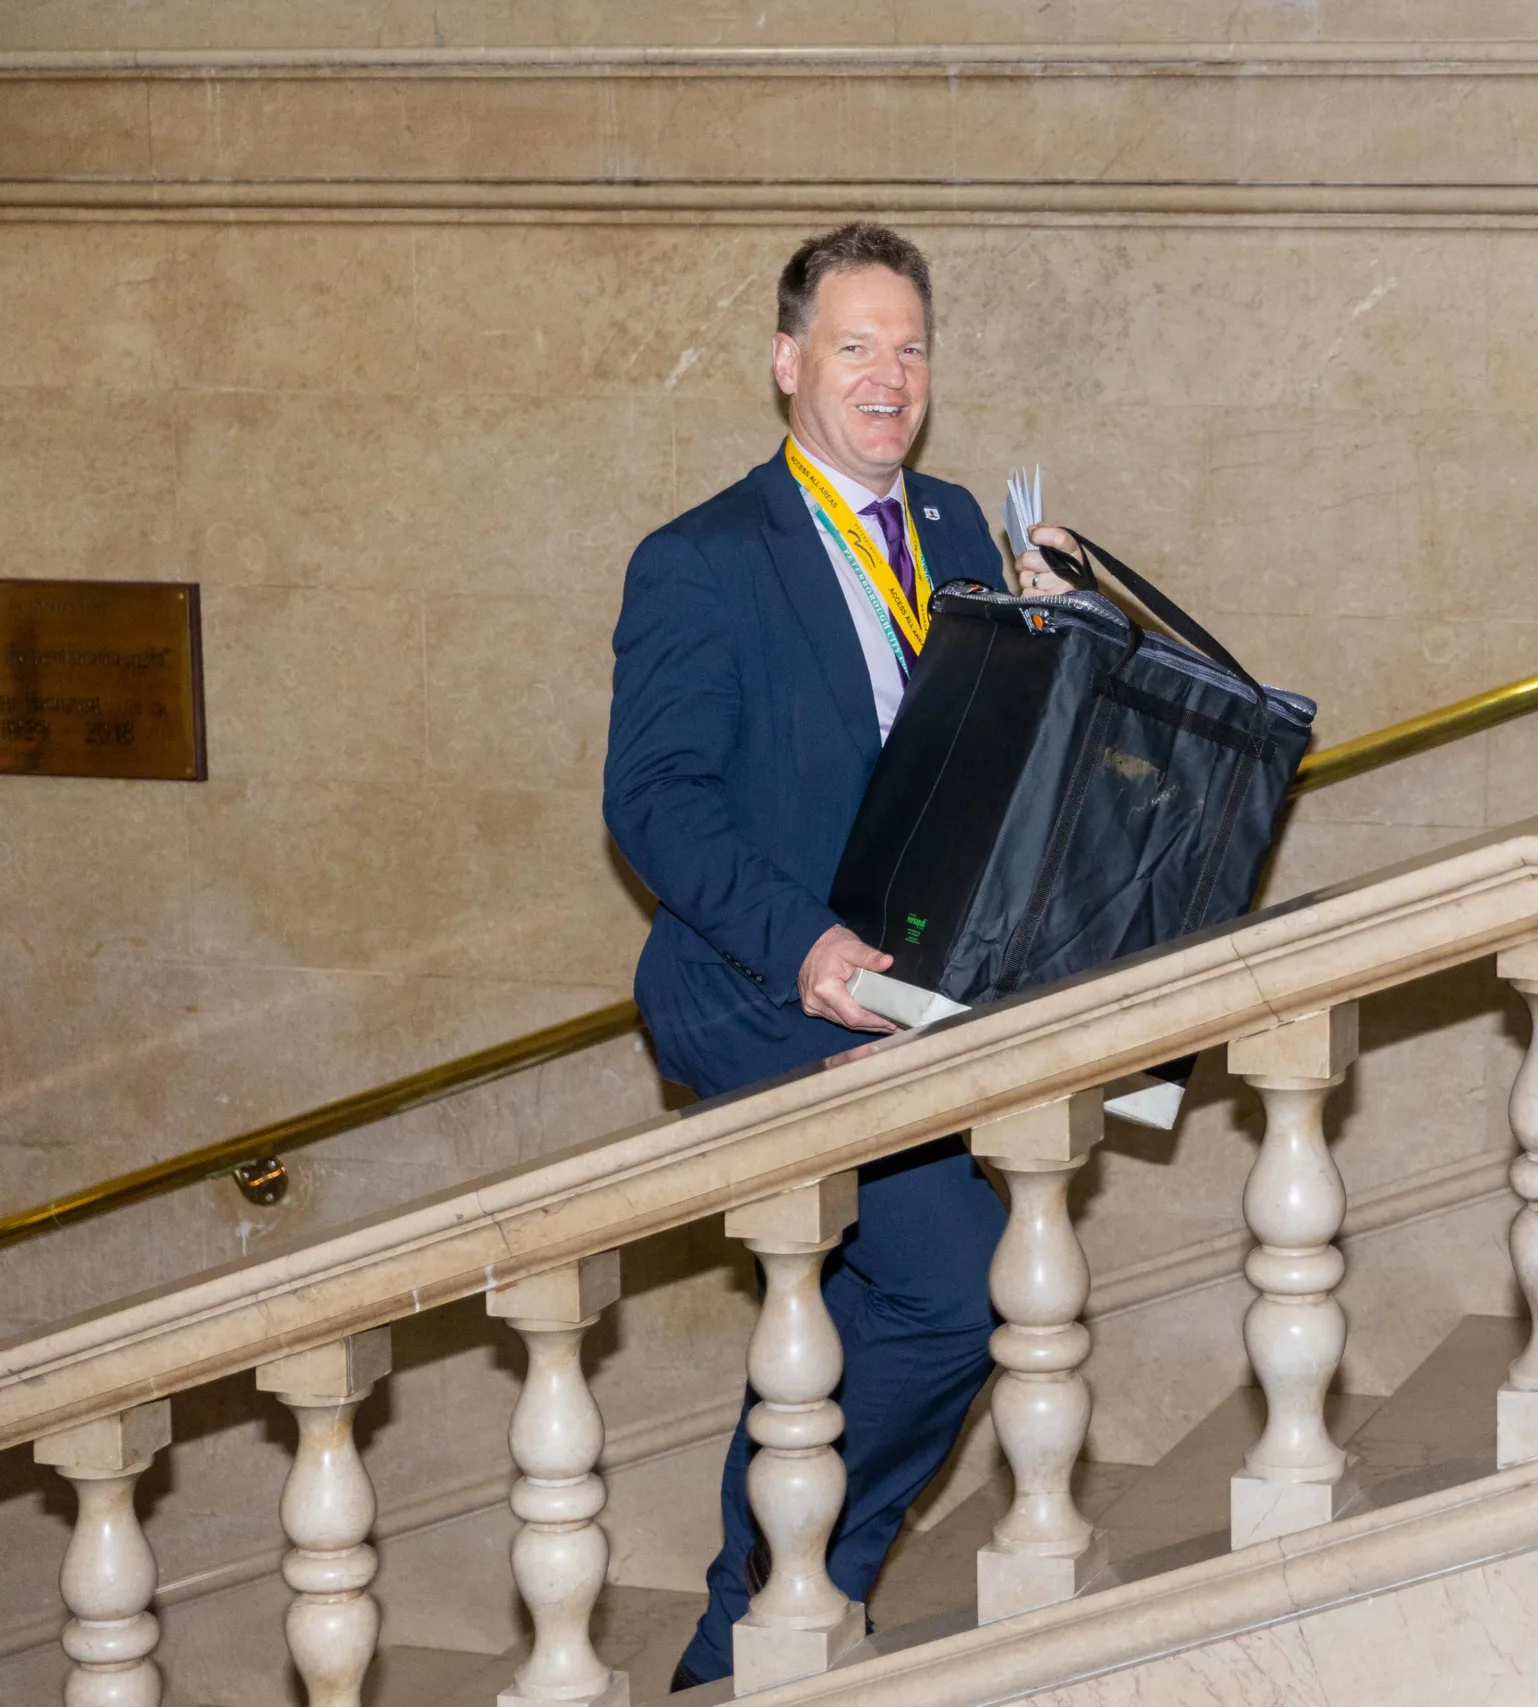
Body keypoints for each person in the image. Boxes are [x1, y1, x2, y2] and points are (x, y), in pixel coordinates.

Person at [602, 220, 1078, 1691]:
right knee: (946, 1287)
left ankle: (754, 1623)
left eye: (912, 347)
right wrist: (803, 944)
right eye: (857, 345)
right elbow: (655, 802)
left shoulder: (947, 532)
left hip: (911, 990)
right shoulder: (700, 559)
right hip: (761, 986)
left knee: (868, 1309)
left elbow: (963, 764)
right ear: (787, 362)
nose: (891, 375)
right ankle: (768, 1613)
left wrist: (1047, 636)